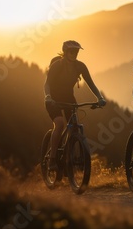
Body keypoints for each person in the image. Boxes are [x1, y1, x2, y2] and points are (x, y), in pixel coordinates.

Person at [44, 40, 106, 170]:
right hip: (53, 99)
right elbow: (47, 84)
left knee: (74, 127)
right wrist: (48, 97)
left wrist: (99, 97)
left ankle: (68, 156)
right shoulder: (57, 65)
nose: (74, 54)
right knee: (60, 124)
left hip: (68, 98)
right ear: (65, 52)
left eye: (76, 51)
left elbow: (91, 83)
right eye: (71, 51)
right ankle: (52, 159)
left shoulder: (80, 66)